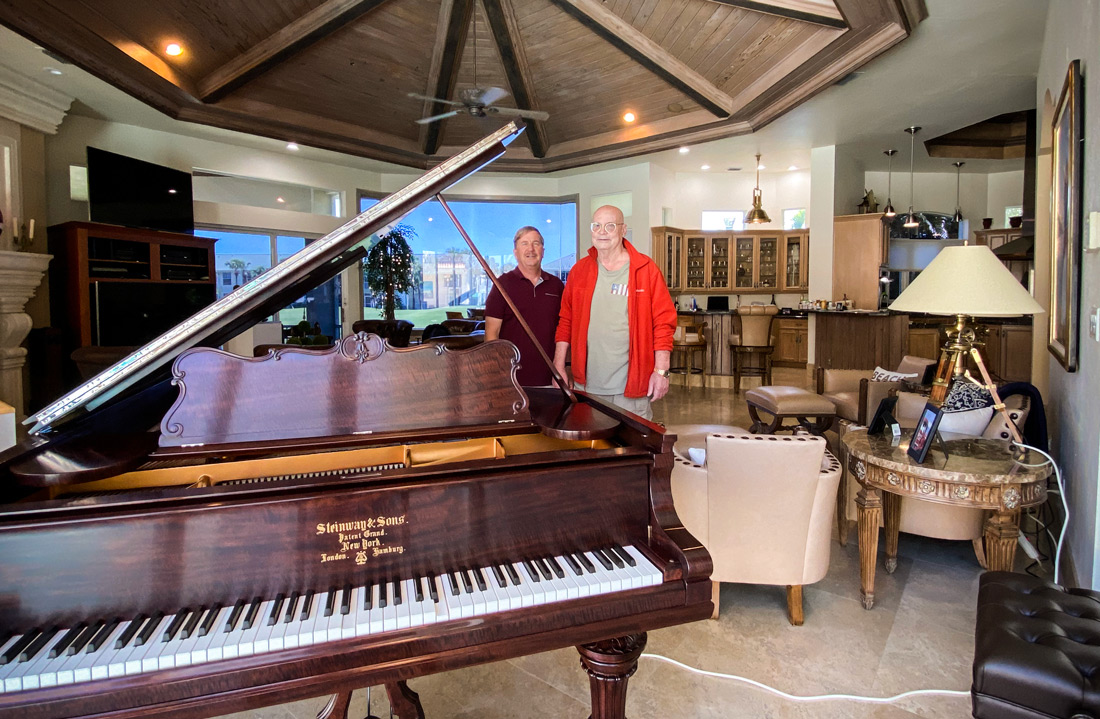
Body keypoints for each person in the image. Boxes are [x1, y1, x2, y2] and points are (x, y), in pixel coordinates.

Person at [553, 205, 676, 421]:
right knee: (592, 449)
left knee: (632, 450)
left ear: (623, 230)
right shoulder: (579, 271)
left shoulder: (645, 269)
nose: (602, 231)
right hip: (587, 385)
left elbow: (663, 323)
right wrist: (559, 366)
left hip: (632, 387)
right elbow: (566, 321)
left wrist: (661, 372)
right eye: (597, 225)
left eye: (610, 226)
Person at [484, 226, 564, 386]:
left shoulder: (556, 286)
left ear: (543, 251)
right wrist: (499, 373)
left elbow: (563, 329)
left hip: (550, 378)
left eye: (536, 243)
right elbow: (491, 335)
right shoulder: (502, 285)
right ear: (515, 252)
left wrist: (560, 367)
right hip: (512, 379)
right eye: (525, 243)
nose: (531, 249)